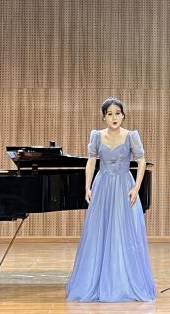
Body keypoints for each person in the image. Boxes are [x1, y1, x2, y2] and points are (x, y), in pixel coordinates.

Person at [66, 97, 155, 302]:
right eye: (109, 114)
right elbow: (91, 162)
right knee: (100, 232)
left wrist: (136, 187)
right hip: (103, 186)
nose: (114, 117)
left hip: (124, 186)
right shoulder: (97, 136)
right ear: (104, 117)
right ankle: (97, 281)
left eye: (117, 113)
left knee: (124, 232)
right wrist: (87, 186)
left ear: (123, 116)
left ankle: (123, 282)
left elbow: (141, 161)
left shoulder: (131, 136)